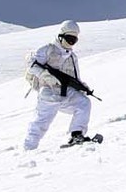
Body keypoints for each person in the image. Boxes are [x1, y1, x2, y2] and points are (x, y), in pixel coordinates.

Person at [23, 21, 100, 149]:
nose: (71, 43)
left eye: (74, 40)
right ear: (61, 36)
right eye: (69, 39)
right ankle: (28, 148)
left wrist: (82, 87)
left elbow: (75, 77)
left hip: (66, 91)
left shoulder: (72, 57)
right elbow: (30, 62)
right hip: (49, 91)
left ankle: (76, 135)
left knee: (83, 103)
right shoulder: (48, 49)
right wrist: (45, 75)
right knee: (41, 121)